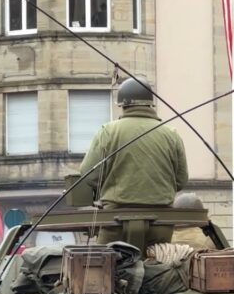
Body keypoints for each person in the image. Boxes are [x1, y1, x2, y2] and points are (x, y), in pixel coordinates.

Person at [80, 78, 188, 247]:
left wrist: (107, 188)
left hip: (115, 222)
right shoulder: (171, 134)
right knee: (159, 271)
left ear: (122, 105)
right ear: (150, 105)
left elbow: (89, 174)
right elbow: (181, 181)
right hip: (161, 224)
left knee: (108, 269)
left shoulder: (108, 131)